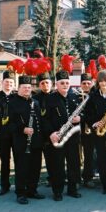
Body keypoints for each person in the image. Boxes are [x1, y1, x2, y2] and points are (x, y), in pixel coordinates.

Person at [43, 70, 82, 201]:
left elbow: (84, 113)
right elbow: (45, 119)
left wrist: (80, 118)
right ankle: (57, 191)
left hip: (72, 137)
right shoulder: (49, 99)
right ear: (56, 84)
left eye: (67, 83)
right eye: (62, 83)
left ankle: (72, 189)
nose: (65, 85)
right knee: (57, 165)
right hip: (57, 136)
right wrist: (51, 133)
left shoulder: (75, 96)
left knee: (73, 164)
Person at [9, 75, 45, 204]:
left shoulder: (35, 102)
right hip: (21, 142)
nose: (27, 89)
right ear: (18, 88)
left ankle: (32, 190)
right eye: (24, 87)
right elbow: (9, 124)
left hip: (36, 141)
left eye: (29, 87)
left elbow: (39, 121)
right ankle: (20, 193)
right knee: (22, 168)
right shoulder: (12, 103)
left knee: (35, 167)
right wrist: (22, 129)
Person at [32, 72, 54, 187]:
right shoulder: (34, 98)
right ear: (39, 85)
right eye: (43, 83)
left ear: (51, 83)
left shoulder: (56, 96)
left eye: (47, 82)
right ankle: (35, 182)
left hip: (51, 134)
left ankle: (52, 179)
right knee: (36, 161)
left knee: (52, 159)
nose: (45, 85)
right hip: (39, 134)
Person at [79, 73, 96, 189]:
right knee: (76, 156)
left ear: (92, 84)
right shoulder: (75, 95)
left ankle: (88, 177)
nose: (86, 85)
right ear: (80, 84)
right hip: (77, 129)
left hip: (90, 129)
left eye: (88, 83)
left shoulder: (95, 96)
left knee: (89, 154)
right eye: (84, 83)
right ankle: (75, 178)